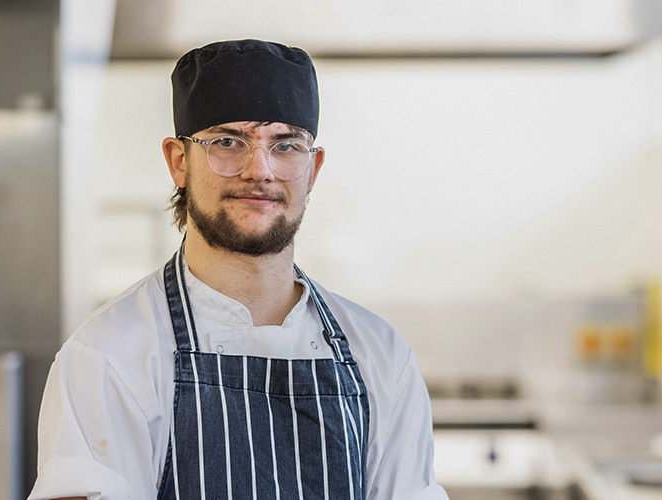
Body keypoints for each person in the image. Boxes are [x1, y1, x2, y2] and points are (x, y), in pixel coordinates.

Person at [29, 39, 449, 500]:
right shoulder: (109, 356)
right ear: (178, 161)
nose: (260, 169)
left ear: (312, 169)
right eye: (228, 142)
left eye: (286, 144)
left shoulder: (382, 356)